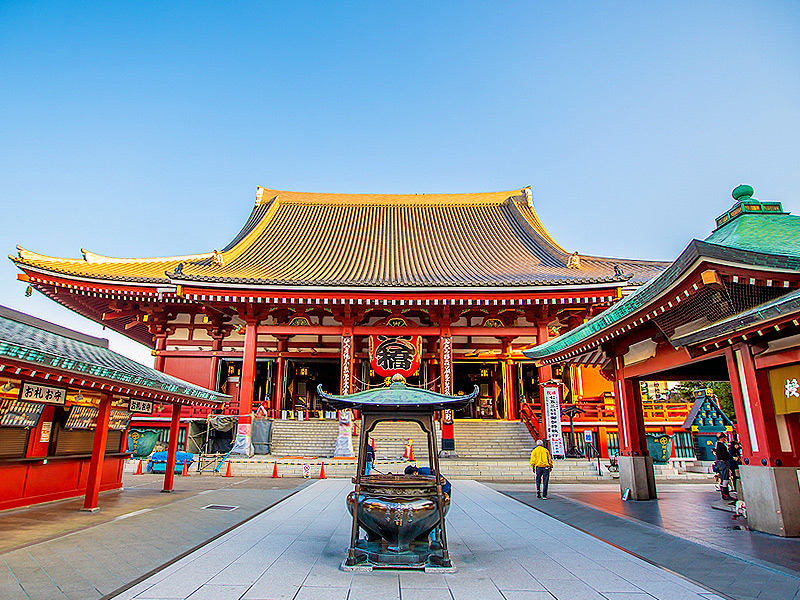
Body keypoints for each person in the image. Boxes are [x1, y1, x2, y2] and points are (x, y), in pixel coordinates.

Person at [714, 432, 733, 500]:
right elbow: (723, 455)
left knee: (723, 477)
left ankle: (724, 493)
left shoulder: (718, 445)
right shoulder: (721, 445)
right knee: (725, 478)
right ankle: (725, 494)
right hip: (723, 463)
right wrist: (731, 458)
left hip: (720, 463)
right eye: (724, 438)